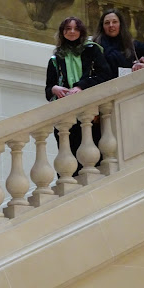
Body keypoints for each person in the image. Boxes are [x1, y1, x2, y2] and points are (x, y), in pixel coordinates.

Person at [45, 17, 112, 174]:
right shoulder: (56, 58)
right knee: (68, 151)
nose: (72, 32)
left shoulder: (92, 49)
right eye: (68, 29)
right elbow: (48, 90)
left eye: (75, 29)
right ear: (63, 32)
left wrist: (81, 86)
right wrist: (55, 89)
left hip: (90, 108)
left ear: (81, 32)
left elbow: (104, 75)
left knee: (92, 150)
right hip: (66, 111)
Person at [93, 8, 144, 77]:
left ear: (120, 25)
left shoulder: (131, 44)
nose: (111, 25)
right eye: (107, 23)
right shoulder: (94, 45)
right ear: (102, 26)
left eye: (115, 22)